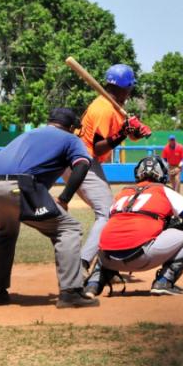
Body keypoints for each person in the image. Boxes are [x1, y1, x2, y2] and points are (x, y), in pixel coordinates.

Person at [0, 108, 98, 308]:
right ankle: (71, 293)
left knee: (5, 231)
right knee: (68, 228)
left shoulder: (31, 133)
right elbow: (82, 165)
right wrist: (65, 198)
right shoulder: (70, 139)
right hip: (17, 186)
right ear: (70, 127)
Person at [63, 63, 152, 281]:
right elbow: (100, 147)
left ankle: (104, 266)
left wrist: (135, 131)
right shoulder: (103, 108)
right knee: (108, 212)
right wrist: (123, 132)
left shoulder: (113, 106)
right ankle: (83, 264)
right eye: (130, 88)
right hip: (82, 161)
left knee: (108, 212)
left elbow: (130, 136)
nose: (130, 92)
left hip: (81, 161)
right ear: (126, 87)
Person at [84, 156, 183, 297]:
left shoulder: (123, 193)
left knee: (111, 237)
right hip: (141, 258)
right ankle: (164, 282)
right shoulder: (164, 191)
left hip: (107, 259)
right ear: (163, 174)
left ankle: (92, 285)